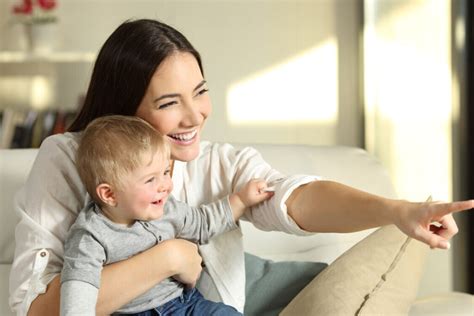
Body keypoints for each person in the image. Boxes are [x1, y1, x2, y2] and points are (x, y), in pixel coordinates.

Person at [9, 19, 473, 315]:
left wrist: (396, 211)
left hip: (225, 288)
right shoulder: (68, 159)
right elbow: (36, 309)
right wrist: (169, 258)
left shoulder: (218, 162)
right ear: (123, 113)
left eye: (201, 92)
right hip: (171, 295)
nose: (195, 117)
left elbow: (296, 198)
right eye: (170, 103)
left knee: (328, 284)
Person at [61, 115, 272, 315]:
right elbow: (78, 293)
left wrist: (241, 201)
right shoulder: (90, 235)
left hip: (185, 305)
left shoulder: (168, 209)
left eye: (165, 172)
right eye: (150, 179)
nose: (165, 186)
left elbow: (203, 222)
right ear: (109, 194)